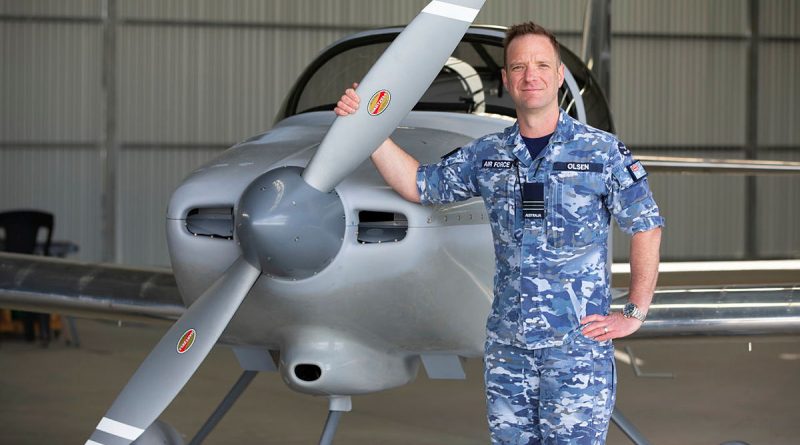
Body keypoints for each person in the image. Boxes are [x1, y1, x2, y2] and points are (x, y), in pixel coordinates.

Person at [335, 22, 663, 445]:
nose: (532, 76)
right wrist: (368, 126)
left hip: (575, 351)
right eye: (520, 67)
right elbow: (420, 185)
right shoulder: (487, 154)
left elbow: (646, 225)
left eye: (542, 65)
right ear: (506, 80)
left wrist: (634, 312)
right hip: (510, 350)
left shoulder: (601, 152)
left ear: (559, 74)